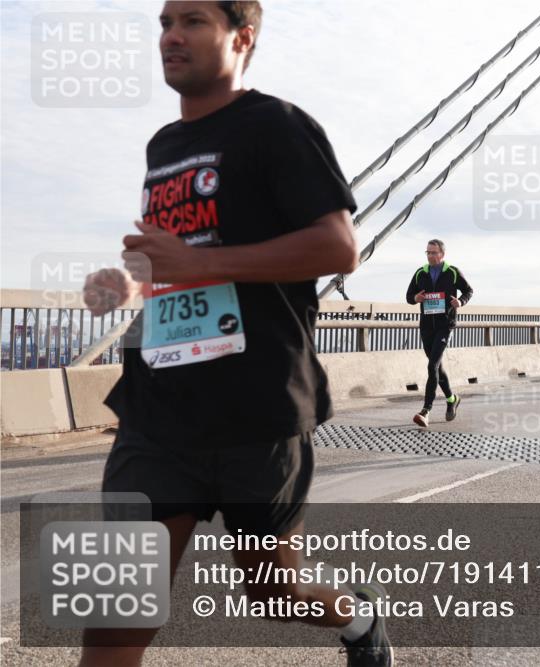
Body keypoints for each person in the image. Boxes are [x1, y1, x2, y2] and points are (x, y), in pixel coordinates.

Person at [80, 3, 393, 665]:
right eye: (163, 23)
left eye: (192, 20)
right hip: (158, 408)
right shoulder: (162, 147)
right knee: (116, 613)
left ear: (241, 37)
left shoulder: (276, 126)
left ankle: (359, 619)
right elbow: (174, 254)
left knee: (273, 588)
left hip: (258, 403)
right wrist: (129, 281)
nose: (170, 36)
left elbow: (339, 248)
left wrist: (204, 264)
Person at [406, 239, 473, 428]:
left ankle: (425, 410)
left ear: (442, 254)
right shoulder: (421, 273)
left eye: (434, 252)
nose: (430, 256)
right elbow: (409, 296)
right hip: (427, 326)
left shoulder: (452, 272)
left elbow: (468, 290)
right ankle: (452, 399)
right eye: (427, 252)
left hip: (445, 325)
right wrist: (415, 298)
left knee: (432, 365)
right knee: (436, 367)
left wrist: (460, 302)